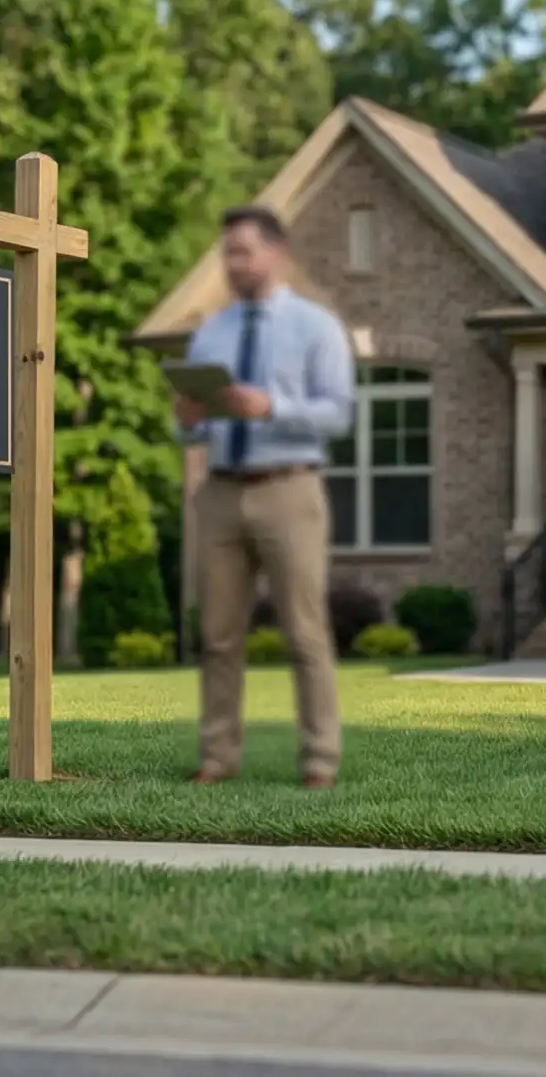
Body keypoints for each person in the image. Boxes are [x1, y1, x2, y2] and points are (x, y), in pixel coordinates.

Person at [172, 205, 354, 789]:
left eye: (244, 252)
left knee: (305, 631)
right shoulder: (212, 332)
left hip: (289, 489)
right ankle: (217, 758)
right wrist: (188, 419)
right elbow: (190, 432)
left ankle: (320, 760)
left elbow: (339, 415)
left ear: (276, 252)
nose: (233, 264)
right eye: (228, 253)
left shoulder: (316, 327)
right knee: (219, 635)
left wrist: (273, 407)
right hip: (220, 491)